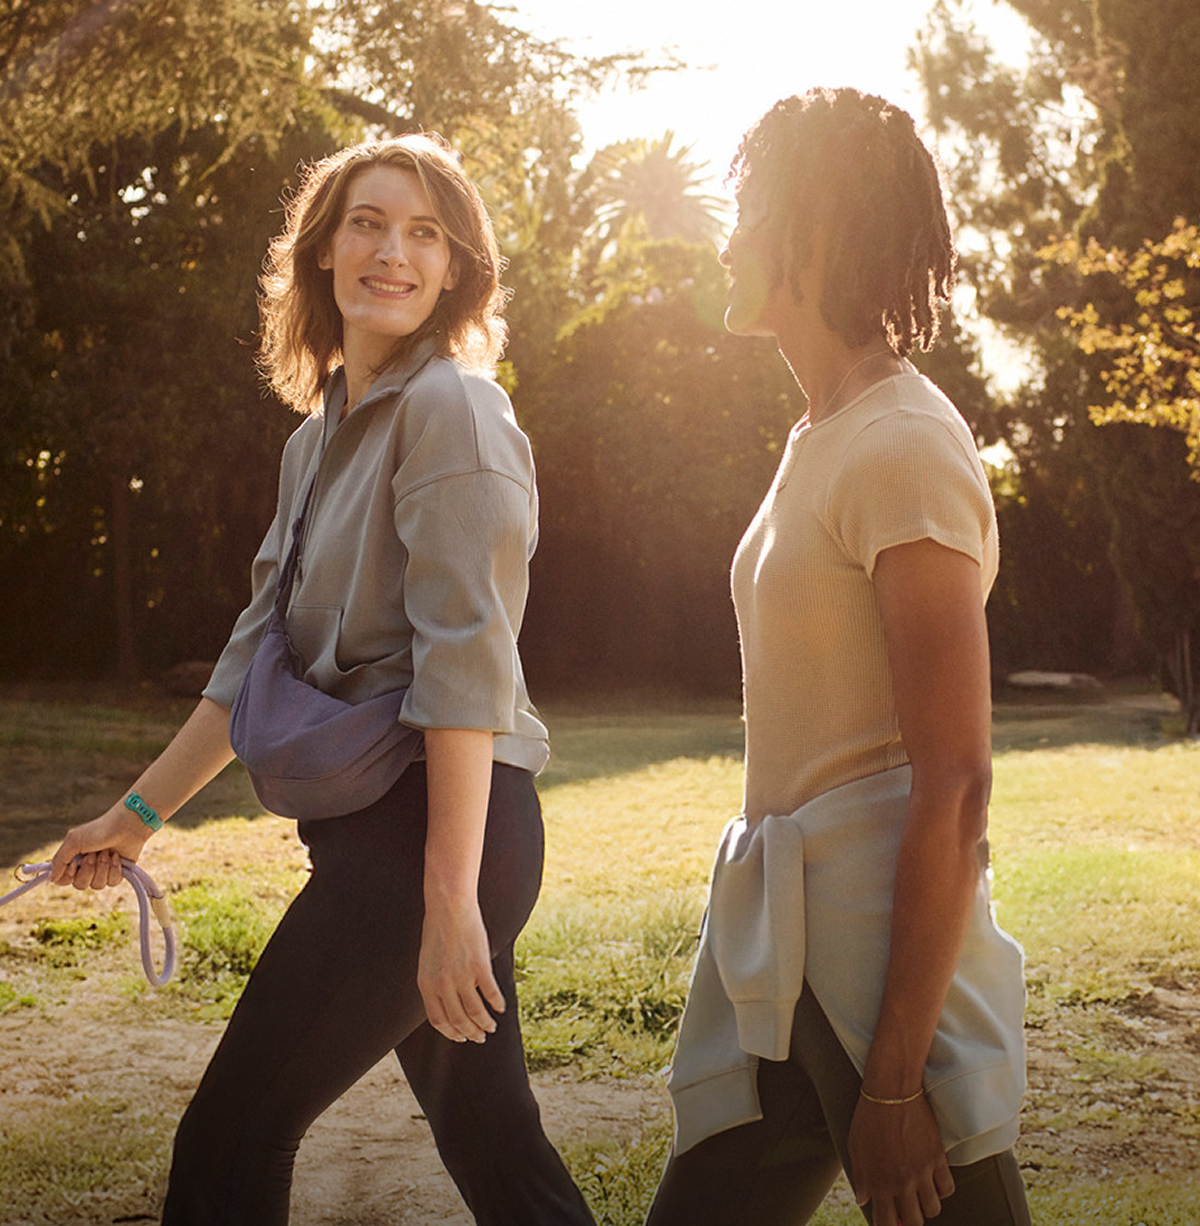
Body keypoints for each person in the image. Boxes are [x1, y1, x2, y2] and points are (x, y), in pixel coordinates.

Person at [47, 133, 596, 1226]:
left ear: (453, 271)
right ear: (321, 253)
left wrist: (449, 899)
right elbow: (257, 657)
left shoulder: (457, 409)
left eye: (425, 233)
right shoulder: (316, 440)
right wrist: (137, 812)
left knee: (232, 1133)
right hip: (373, 841)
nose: (393, 252)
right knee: (498, 1149)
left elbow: (467, 665)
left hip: (438, 841)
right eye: (367, 223)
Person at [645, 89, 1032, 1226]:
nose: (726, 238)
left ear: (812, 232)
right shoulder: (821, 432)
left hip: (880, 975)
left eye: (748, 211)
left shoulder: (901, 443)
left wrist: (899, 1080)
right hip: (784, 955)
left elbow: (956, 779)